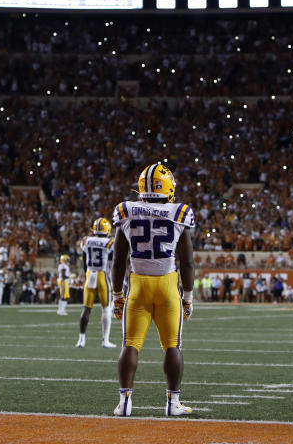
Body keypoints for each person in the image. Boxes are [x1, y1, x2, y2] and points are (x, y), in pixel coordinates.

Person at [110, 163, 195, 417]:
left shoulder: (126, 210)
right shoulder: (179, 212)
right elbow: (187, 262)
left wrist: (117, 295)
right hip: (167, 287)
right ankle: (172, 403)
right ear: (168, 187)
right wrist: (188, 296)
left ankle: (124, 402)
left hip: (138, 287)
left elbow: (118, 260)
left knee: (130, 344)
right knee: (172, 346)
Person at [76, 217, 116, 348]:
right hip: (102, 276)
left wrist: (85, 272)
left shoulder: (86, 240)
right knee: (106, 309)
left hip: (89, 275)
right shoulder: (109, 242)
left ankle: (81, 340)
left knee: (86, 308)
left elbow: (84, 259)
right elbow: (113, 261)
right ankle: (105, 340)